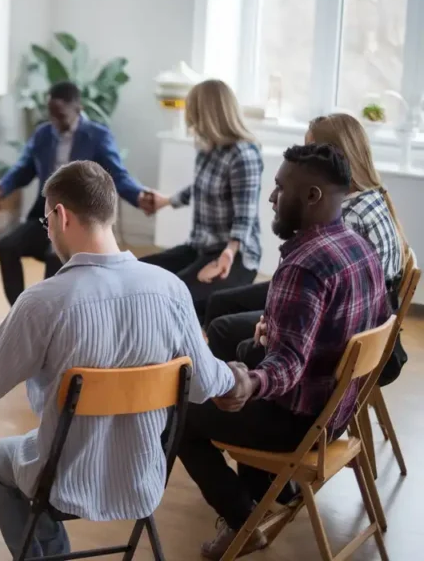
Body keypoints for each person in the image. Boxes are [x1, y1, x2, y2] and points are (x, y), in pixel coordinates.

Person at [0, 160, 236, 558]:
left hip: (61, 482)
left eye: (44, 220)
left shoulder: (44, 302)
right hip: (142, 479)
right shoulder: (169, 290)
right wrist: (238, 377)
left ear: (60, 215)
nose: (45, 231)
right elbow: (206, 384)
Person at [178, 143, 390, 559]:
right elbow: (371, 320)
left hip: (301, 421)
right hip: (337, 413)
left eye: (279, 188)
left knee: (180, 413)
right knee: (241, 344)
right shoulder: (358, 246)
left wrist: (253, 381)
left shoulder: (303, 265)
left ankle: (244, 520)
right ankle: (266, 488)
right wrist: (272, 334)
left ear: (312, 196)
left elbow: (290, 366)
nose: (272, 198)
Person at [204, 113, 408, 385]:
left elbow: (318, 295)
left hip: (340, 331)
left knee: (223, 324)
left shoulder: (344, 218)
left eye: (311, 149)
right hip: (364, 324)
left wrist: (273, 322)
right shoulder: (374, 197)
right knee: (223, 304)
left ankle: (225, 395)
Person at [0, 81, 149, 306]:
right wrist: (1, 188)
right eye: (51, 115)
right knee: (6, 246)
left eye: (61, 115)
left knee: (54, 256)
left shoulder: (97, 136)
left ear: (78, 107)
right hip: (45, 216)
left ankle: (53, 315)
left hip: (80, 220)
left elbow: (117, 174)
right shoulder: (43, 134)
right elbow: (22, 169)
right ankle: (22, 311)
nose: (55, 121)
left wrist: (139, 196)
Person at [139, 79, 263, 322]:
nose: (189, 120)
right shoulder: (208, 148)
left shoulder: (243, 155)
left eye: (193, 112)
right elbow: (200, 188)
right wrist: (165, 201)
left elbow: (244, 216)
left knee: (171, 297)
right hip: (200, 247)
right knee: (140, 273)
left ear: (207, 114)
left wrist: (228, 252)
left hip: (234, 257)